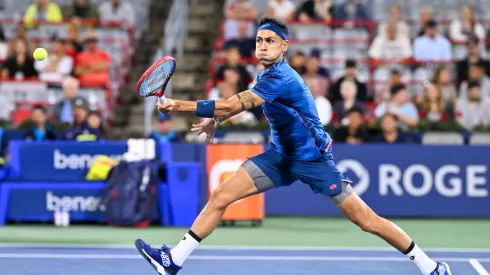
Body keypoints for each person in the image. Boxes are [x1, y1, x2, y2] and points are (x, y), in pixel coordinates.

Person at [134, 17, 452, 275]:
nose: (262, 46)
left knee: (366, 220)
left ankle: (431, 267)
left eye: (270, 40)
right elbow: (241, 105)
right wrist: (217, 121)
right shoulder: (264, 77)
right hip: (279, 156)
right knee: (220, 196)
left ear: (284, 46)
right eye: (259, 40)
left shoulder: (281, 78)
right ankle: (173, 261)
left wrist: (177, 105)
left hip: (314, 160)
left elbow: (232, 105)